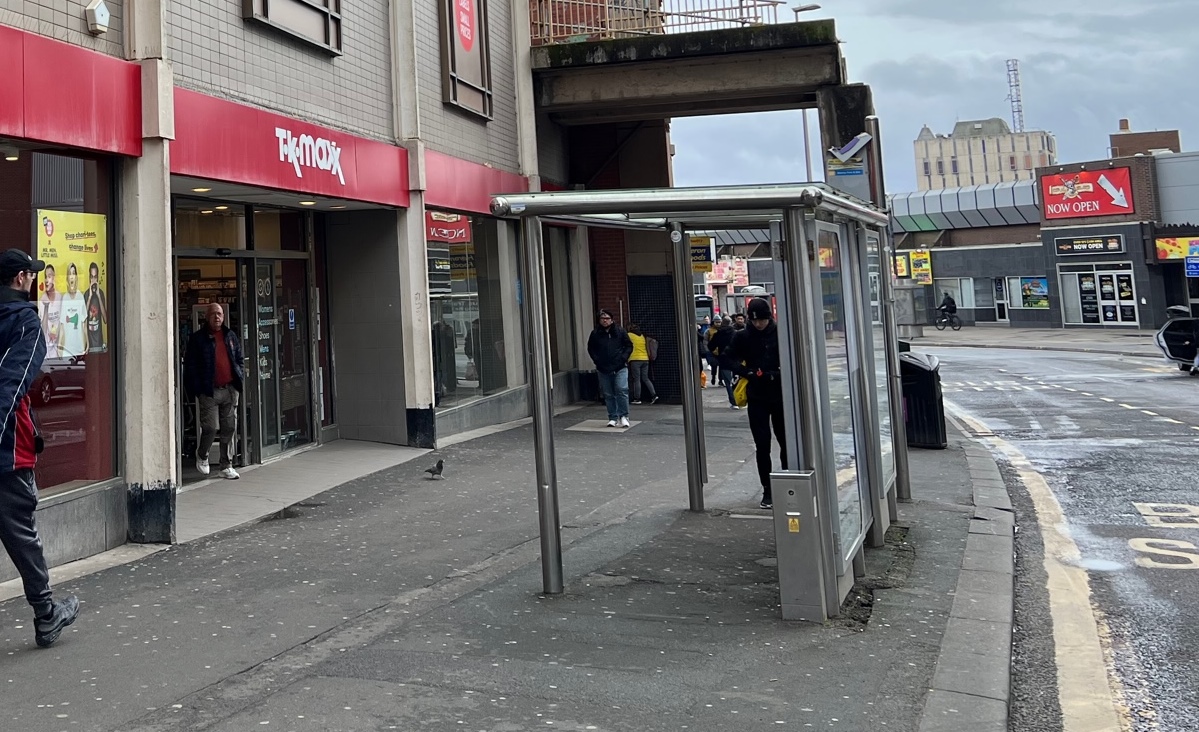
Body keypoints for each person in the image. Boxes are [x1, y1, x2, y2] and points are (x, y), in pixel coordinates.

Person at [0, 248, 80, 647]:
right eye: (30, 275)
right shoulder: (25, 323)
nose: (33, 280)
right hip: (8, 450)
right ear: (20, 279)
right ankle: (46, 613)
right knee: (20, 533)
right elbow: (13, 383)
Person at [720, 298, 786, 509]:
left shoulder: (780, 333)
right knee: (762, 444)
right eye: (755, 320)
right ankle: (767, 489)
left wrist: (776, 373)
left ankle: (788, 484)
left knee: (786, 441)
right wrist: (745, 371)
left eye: (763, 320)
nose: (759, 324)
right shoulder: (743, 336)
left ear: (770, 317)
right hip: (757, 394)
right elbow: (726, 358)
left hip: (781, 394)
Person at [184, 302, 245, 480]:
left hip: (230, 389)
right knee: (210, 427)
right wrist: (198, 389)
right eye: (213, 314)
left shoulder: (230, 336)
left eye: (219, 314)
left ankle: (226, 465)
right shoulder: (198, 339)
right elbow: (191, 366)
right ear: (207, 317)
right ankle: (202, 455)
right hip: (208, 391)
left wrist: (238, 379)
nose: (216, 317)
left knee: (229, 428)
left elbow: (239, 358)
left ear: (223, 316)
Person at [587, 309, 633, 428]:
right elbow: (591, 348)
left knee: (621, 389)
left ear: (612, 320)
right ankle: (612, 417)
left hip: (620, 366)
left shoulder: (620, 331)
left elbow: (629, 345)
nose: (605, 321)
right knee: (608, 393)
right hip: (603, 367)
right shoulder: (595, 333)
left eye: (607, 318)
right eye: (602, 318)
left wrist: (623, 358)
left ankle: (624, 416)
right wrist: (596, 360)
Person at [708, 316, 738, 409]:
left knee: (728, 382)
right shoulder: (736, 333)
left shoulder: (718, 334)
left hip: (724, 360)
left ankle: (734, 402)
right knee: (736, 380)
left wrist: (716, 354)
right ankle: (739, 398)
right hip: (736, 360)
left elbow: (711, 346)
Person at [626, 324, 658, 406]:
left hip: (635, 359)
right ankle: (654, 395)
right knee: (646, 378)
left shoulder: (629, 335)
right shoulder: (642, 336)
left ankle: (637, 398)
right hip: (645, 359)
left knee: (636, 379)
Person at [59, 263, 86, 359]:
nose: (72, 276)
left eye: (73, 273)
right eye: (70, 274)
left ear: (76, 277)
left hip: (79, 348)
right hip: (67, 349)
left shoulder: (80, 297)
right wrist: (59, 345)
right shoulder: (65, 298)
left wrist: (86, 343)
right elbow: (62, 325)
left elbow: (83, 324)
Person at [38, 263, 62, 359]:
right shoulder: (41, 301)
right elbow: (42, 331)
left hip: (57, 350)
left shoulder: (60, 297)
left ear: (54, 278)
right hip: (45, 351)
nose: (46, 280)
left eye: (49, 276)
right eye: (45, 277)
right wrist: (46, 307)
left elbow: (61, 321)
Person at [84, 261, 107, 353]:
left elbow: (105, 319)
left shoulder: (100, 293)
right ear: (89, 278)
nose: (93, 280)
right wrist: (89, 297)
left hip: (99, 344)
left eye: (95, 277)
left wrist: (98, 296)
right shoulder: (86, 295)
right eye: (92, 277)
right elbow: (83, 319)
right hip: (89, 345)